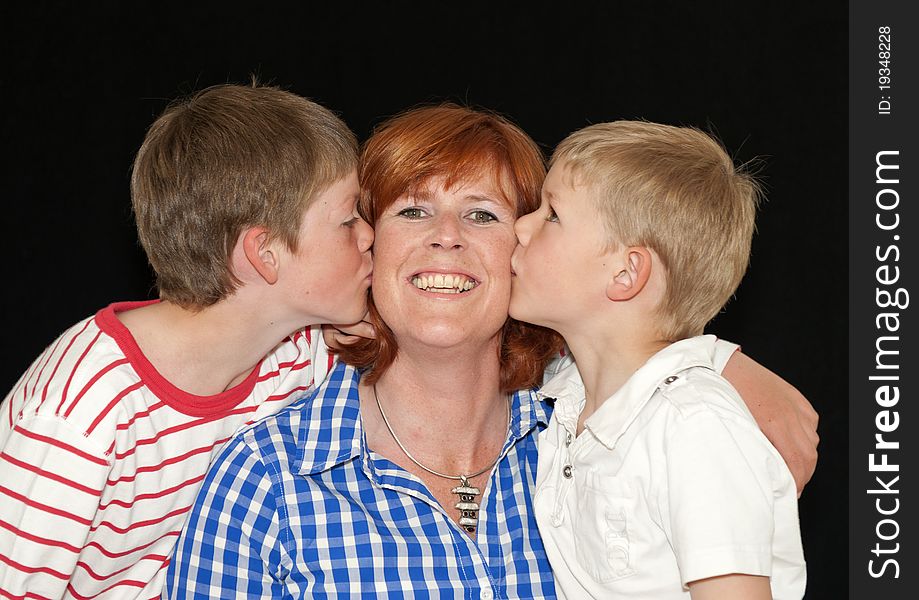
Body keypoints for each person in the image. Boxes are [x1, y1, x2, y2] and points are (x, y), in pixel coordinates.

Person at [166, 104, 816, 598]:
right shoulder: (268, 477)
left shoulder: (579, 433)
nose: (446, 237)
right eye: (412, 212)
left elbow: (651, 362)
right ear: (365, 245)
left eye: (482, 214)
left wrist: (718, 360)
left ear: (525, 251)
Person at [0, 84, 373, 598]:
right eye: (348, 220)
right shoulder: (79, 417)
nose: (369, 235)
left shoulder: (299, 352)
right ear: (264, 254)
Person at [510, 121, 806, 598]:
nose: (522, 226)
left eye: (553, 215)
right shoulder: (565, 396)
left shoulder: (694, 425)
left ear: (626, 273)